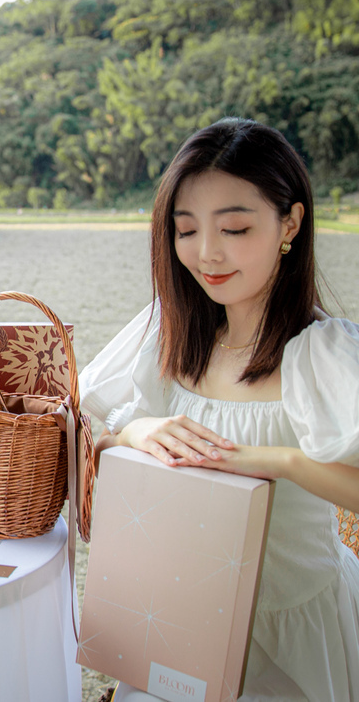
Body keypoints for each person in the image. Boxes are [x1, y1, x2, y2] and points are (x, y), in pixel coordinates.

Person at [80, 118, 359, 700]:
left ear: (291, 222)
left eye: (234, 227)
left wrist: (275, 460)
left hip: (291, 629)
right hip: (183, 618)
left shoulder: (321, 353)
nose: (207, 254)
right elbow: (95, 449)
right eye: (186, 230)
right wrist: (135, 433)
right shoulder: (170, 336)